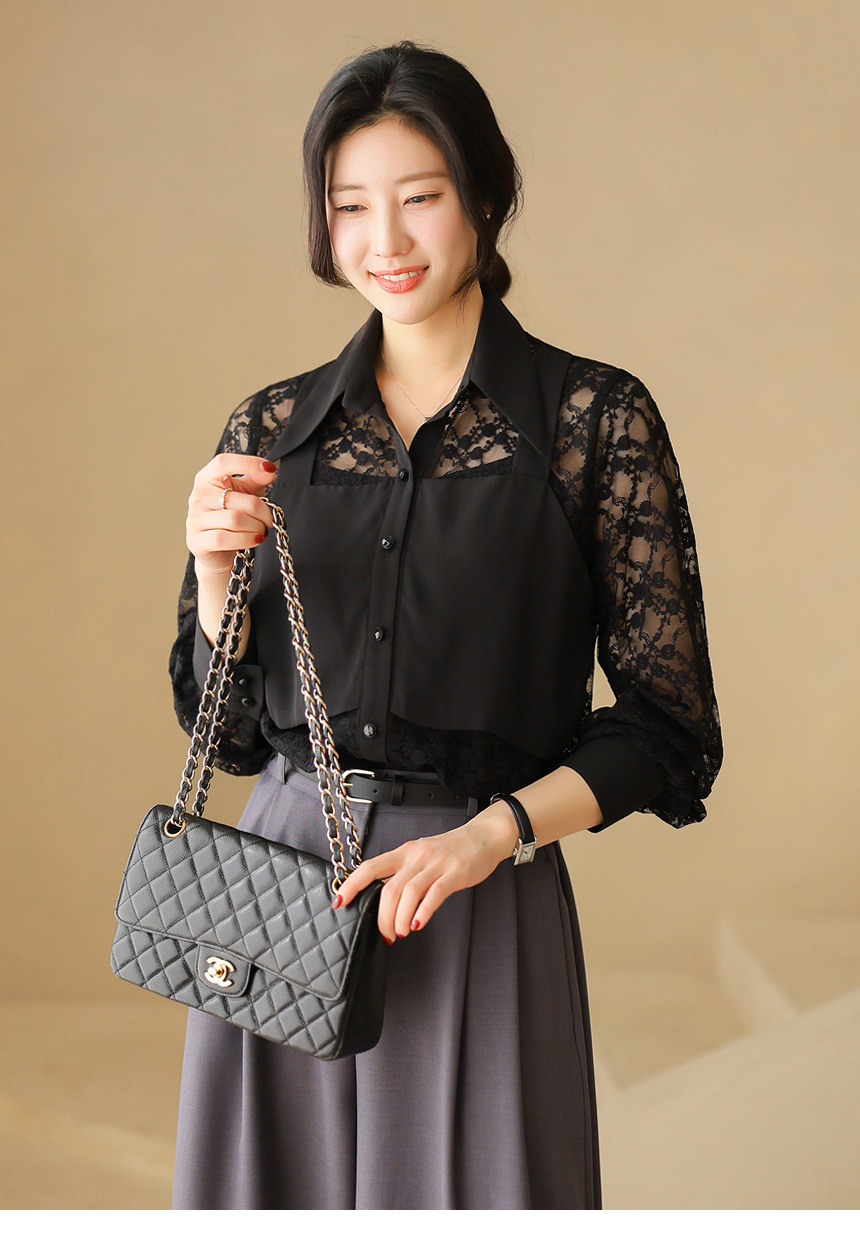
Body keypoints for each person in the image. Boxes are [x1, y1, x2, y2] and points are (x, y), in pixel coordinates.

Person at [168, 41, 722, 1210]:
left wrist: (489, 837)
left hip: (475, 896)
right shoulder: (271, 427)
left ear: (482, 195)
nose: (387, 239)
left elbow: (668, 729)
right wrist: (216, 574)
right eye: (349, 205)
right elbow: (226, 729)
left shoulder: (590, 422)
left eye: (418, 196)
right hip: (279, 890)